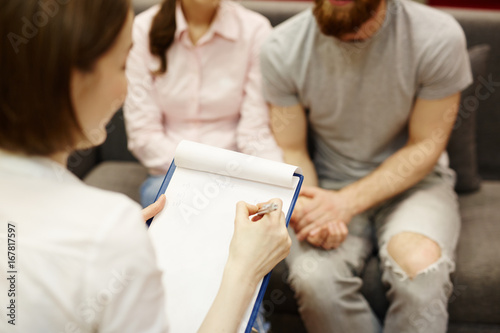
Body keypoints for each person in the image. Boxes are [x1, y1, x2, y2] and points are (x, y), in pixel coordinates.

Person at [0, 1, 291, 332]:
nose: (125, 91)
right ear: (75, 75)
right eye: (122, 64)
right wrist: (245, 271)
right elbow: (144, 138)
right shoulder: (107, 229)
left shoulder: (104, 230)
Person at [260, 0, 472, 332]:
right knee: (315, 282)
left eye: (360, 27)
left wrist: (345, 204)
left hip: (416, 186)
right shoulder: (280, 46)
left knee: (419, 269)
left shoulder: (438, 36)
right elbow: (292, 148)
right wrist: (311, 206)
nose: (352, 39)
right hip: (328, 184)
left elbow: (426, 145)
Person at [124, 0, 282, 209]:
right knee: (167, 201)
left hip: (236, 173)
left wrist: (277, 184)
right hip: (172, 172)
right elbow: (144, 134)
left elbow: (255, 130)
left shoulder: (255, 30)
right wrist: (204, 177)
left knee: (266, 209)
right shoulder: (142, 30)